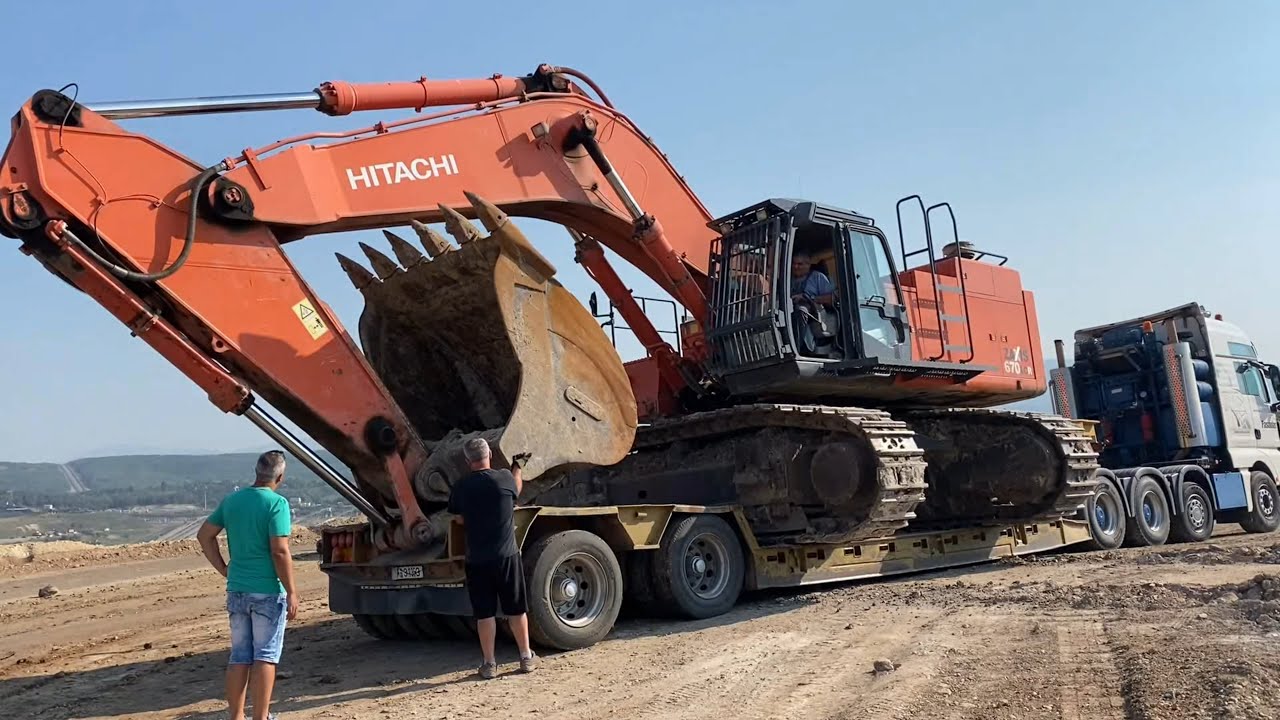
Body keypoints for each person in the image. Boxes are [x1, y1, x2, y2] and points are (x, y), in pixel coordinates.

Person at [197, 450, 298, 720]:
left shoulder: (232, 501)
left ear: (256, 473)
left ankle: (237, 716)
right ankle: (261, 717)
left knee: (240, 655)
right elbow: (279, 551)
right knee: (265, 656)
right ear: (281, 476)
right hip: (266, 590)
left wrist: (225, 570)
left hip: (237, 588)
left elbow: (205, 535)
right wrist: (291, 591)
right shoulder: (277, 504)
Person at [447, 437, 538, 679]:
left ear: (468, 461)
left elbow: (457, 517)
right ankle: (526, 657)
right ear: (490, 455)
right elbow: (517, 489)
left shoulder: (462, 487)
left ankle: (489, 664)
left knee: (485, 614)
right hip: (506, 556)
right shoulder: (505, 479)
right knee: (516, 609)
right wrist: (517, 467)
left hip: (477, 560)